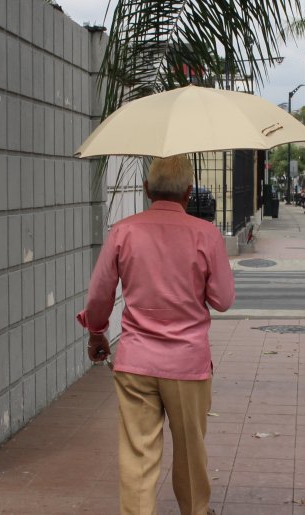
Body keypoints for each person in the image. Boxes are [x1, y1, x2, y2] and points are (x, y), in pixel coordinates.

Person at [77, 155, 235, 515]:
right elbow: (223, 300)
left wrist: (97, 334)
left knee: (138, 453)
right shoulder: (206, 234)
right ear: (189, 192)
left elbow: (99, 295)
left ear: (147, 190)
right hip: (188, 365)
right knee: (191, 449)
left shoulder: (123, 231)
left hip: (136, 363)